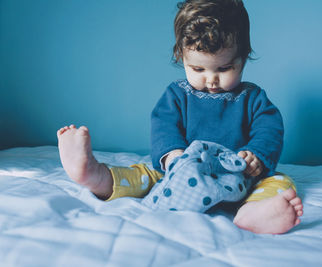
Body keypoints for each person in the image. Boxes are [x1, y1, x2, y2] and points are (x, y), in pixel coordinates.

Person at [57, 0, 303, 234]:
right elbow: (164, 126)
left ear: (243, 58)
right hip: (178, 172)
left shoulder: (252, 97)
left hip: (237, 177)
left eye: (224, 68)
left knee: (280, 182)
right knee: (143, 176)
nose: (211, 79)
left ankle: (251, 213)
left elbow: (269, 129)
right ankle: (95, 175)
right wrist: (173, 156)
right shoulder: (177, 94)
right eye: (198, 69)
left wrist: (256, 155)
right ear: (181, 58)